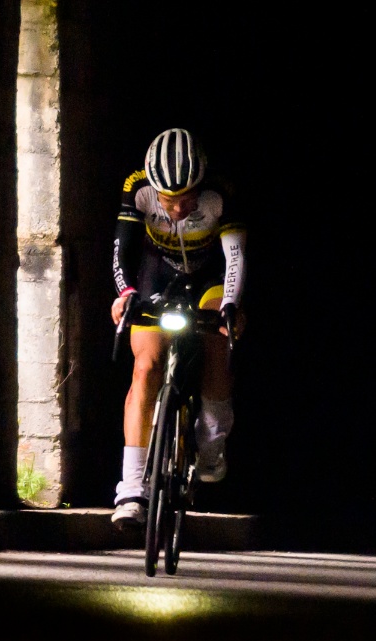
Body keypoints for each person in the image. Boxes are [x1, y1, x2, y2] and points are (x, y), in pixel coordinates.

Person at [109, 127, 246, 529]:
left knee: (219, 341)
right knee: (145, 368)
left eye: (187, 198)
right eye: (168, 200)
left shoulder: (220, 193)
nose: (178, 208)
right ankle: (131, 489)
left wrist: (231, 303)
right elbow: (122, 248)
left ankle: (210, 442)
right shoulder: (137, 188)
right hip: (158, 276)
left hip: (210, 279)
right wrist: (125, 293)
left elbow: (235, 256)